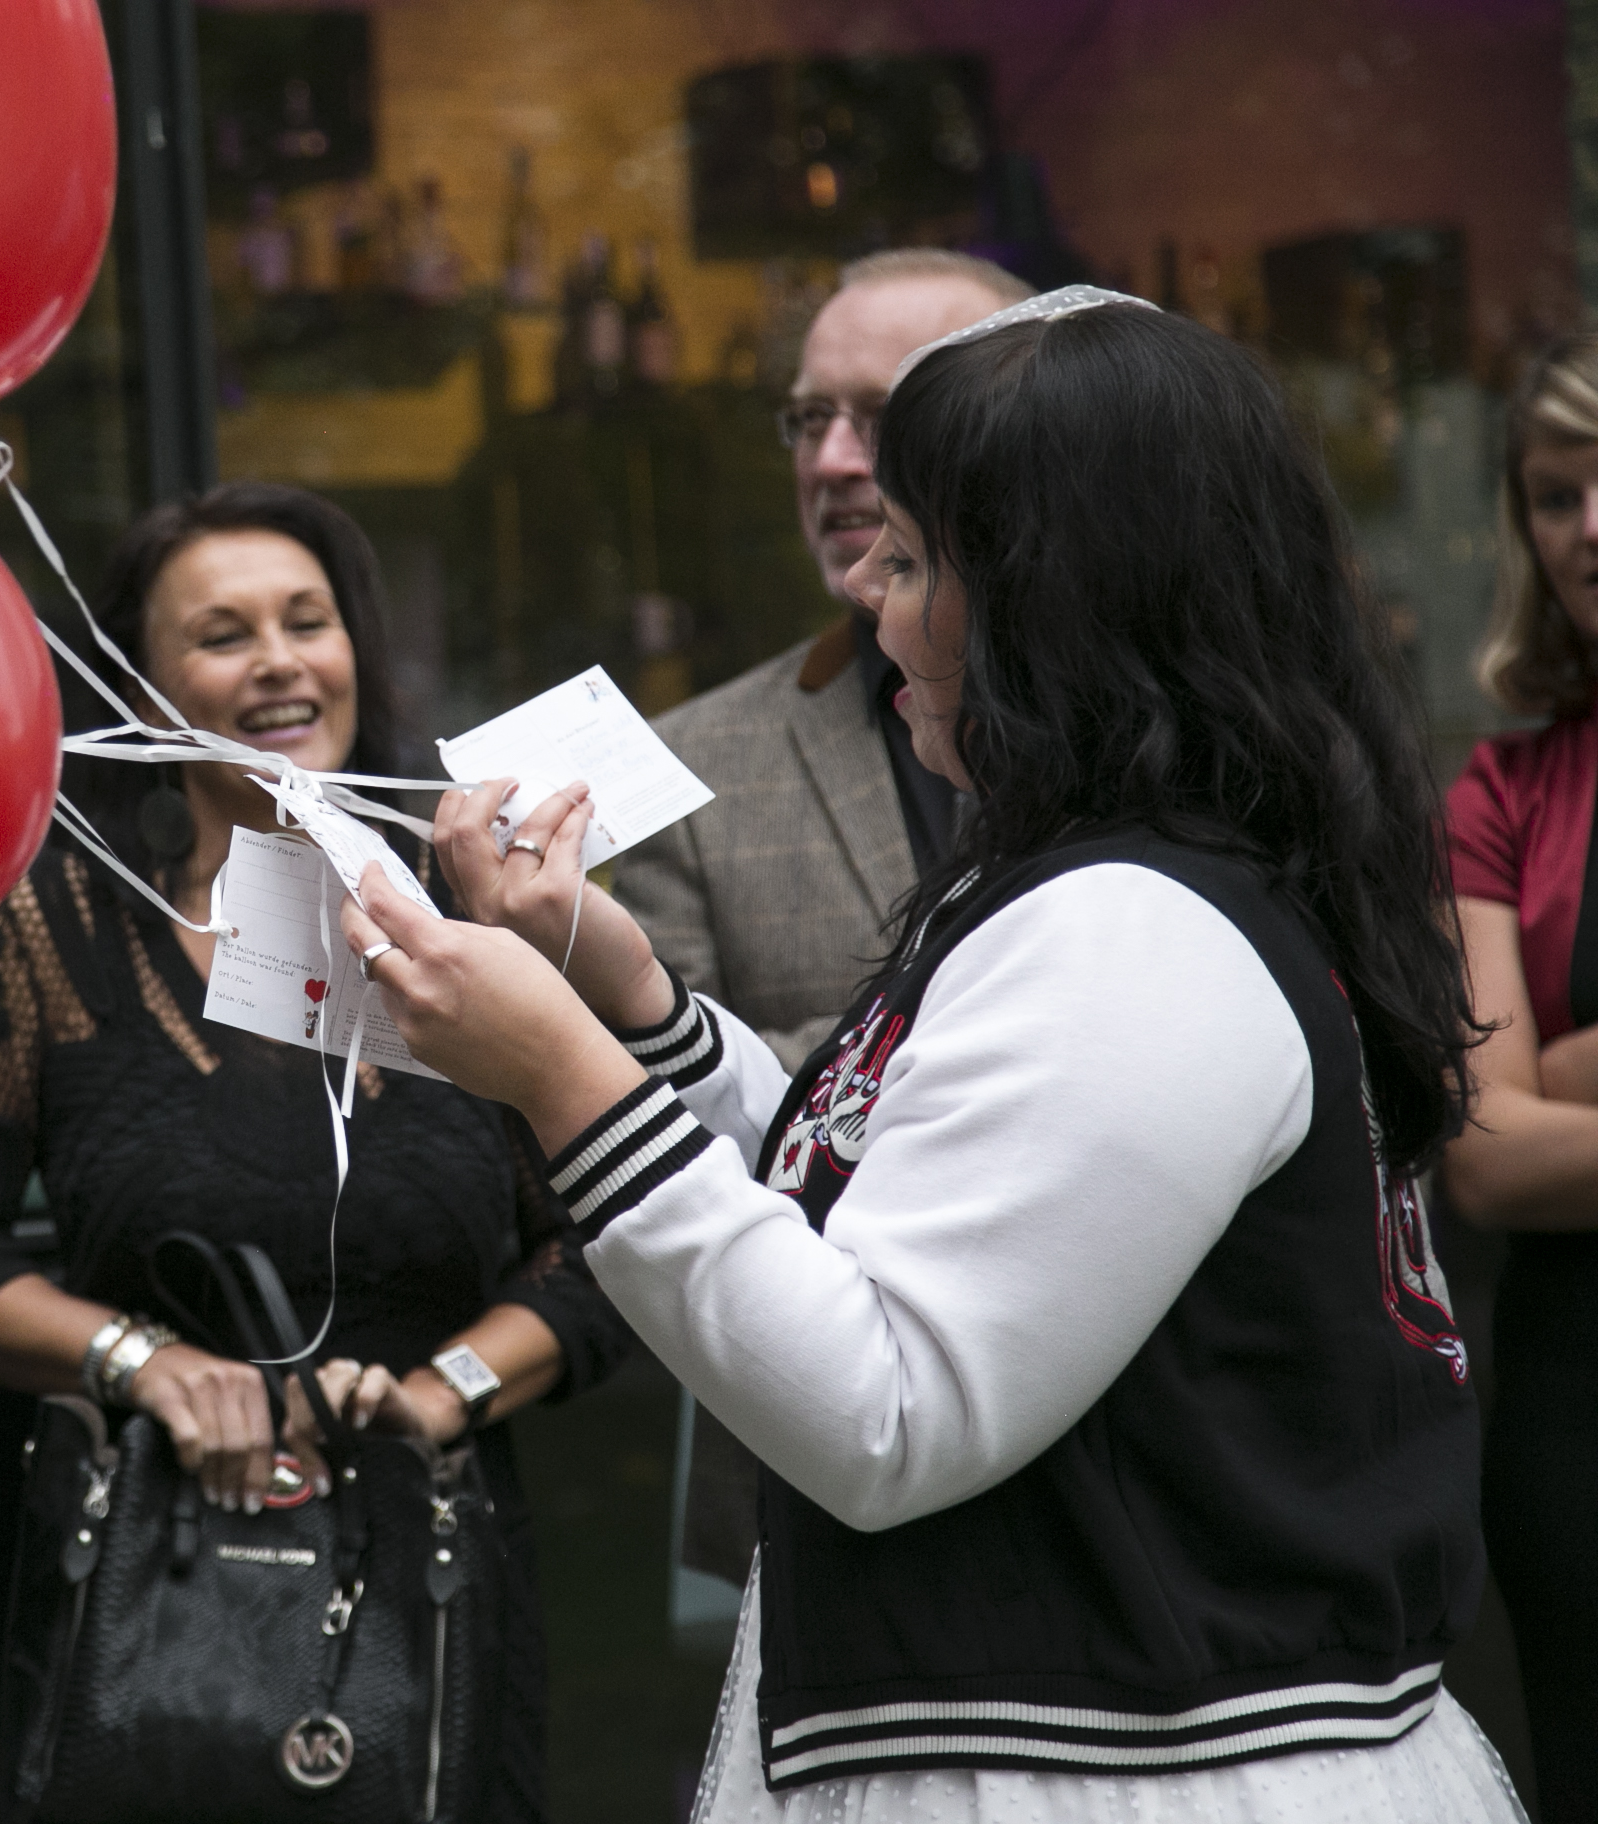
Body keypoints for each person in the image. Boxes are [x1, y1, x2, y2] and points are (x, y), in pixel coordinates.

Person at [338, 295, 1519, 1817]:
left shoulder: (1134, 931)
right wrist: (629, 1003)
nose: (866, 595)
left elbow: (888, 1406)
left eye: (907, 558)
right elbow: (896, 1200)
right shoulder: (1101, 878)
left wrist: (563, 1076)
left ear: (1052, 603)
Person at [0, 482, 634, 1821]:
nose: (279, 662)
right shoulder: (53, 927)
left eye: (308, 621)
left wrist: (436, 1399)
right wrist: (143, 1362)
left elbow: (608, 1241)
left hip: (433, 1577)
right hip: (144, 1595)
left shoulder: (473, 924)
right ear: (147, 691)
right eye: (223, 634)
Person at [612, 250, 1029, 1590]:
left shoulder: (1169, 750)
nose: (838, 461)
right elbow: (654, 1138)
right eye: (809, 419)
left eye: (888, 414)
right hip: (814, 1492)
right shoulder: (687, 767)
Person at [1438, 331, 1598, 1824]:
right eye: (1556, 495)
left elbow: (1540, 1102)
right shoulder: (1503, 790)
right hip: (1577, 1414)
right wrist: (1530, 1092)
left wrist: (1571, 1066)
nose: (1590, 529)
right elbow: (1486, 1157)